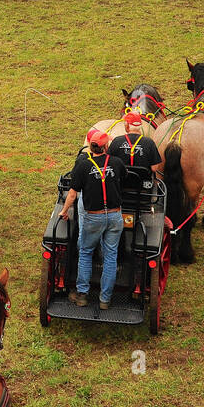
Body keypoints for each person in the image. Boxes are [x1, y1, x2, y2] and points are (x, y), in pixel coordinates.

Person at [60, 129, 125, 309]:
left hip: (93, 218)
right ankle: (105, 299)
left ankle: (82, 295)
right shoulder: (117, 162)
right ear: (106, 147)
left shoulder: (83, 166)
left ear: (90, 147)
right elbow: (123, 179)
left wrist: (64, 211)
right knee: (111, 256)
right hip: (114, 216)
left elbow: (73, 194)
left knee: (86, 253)